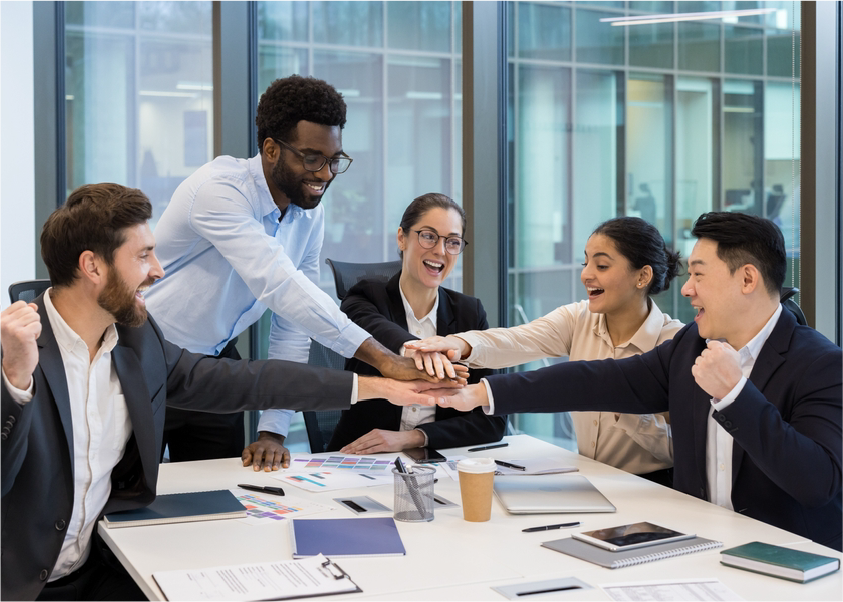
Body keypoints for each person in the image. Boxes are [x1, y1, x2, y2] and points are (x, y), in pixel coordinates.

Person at [0, 183, 449, 602]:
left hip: (97, 567)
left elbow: (243, 381)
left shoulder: (137, 341)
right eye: (144, 256)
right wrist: (16, 383)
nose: (158, 271)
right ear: (92, 266)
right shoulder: (14, 350)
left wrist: (377, 387)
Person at [433, 212, 843, 552]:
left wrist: (735, 395)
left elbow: (817, 482)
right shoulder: (691, 345)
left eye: (699, 275)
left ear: (748, 280)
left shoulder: (822, 365)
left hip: (790, 563)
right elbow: (595, 380)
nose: (687, 288)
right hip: (700, 548)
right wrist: (480, 393)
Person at [145, 76, 457, 470]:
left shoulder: (309, 216)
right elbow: (277, 284)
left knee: (216, 494)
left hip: (211, 365)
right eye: (312, 158)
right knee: (131, 495)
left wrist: (273, 429)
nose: (325, 174)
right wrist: (383, 358)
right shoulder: (218, 191)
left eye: (334, 160)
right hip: (148, 356)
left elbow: (293, 320)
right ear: (272, 149)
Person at [408, 217, 681, 485]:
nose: (586, 274)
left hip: (652, 489)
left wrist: (624, 408)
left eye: (602, 265)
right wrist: (460, 344)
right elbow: (516, 340)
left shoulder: (674, 344)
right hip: (589, 479)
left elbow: (680, 450)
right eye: (586, 263)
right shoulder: (578, 318)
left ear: (643, 276)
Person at [328, 193, 507, 453]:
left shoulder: (470, 313)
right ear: (402, 238)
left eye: (452, 242)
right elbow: (377, 329)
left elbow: (493, 420)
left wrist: (415, 437)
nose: (440, 251)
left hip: (434, 458)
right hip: (362, 458)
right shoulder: (365, 296)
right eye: (429, 236)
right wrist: (419, 351)